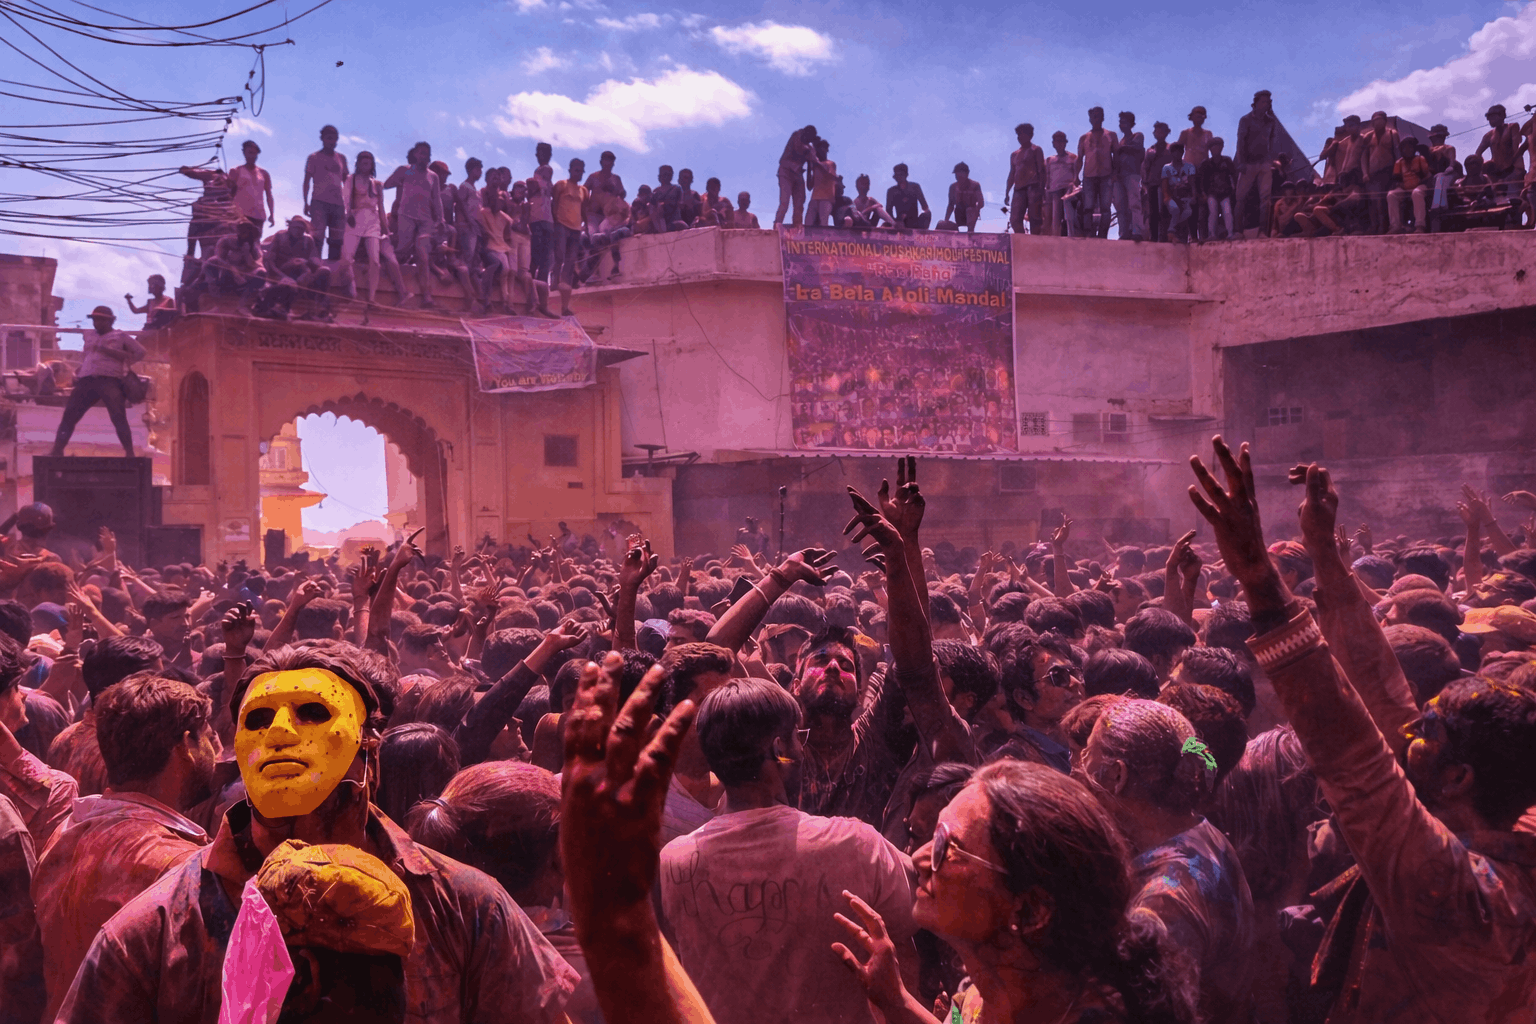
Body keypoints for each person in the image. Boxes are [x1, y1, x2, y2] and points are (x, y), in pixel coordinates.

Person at [1189, 438, 1536, 1024]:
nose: (1408, 731)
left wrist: (1260, 582)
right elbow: (1387, 698)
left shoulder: (1460, 892)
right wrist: (1325, 555)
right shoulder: (1510, 828)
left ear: (1457, 778)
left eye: (1429, 730)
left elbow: (1354, 759)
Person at [55, 642, 579, 1023]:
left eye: (311, 713)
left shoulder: (463, 905)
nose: (280, 732)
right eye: (258, 720)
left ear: (368, 743)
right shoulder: (157, 929)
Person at [832, 759, 1199, 1024]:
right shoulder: (988, 990)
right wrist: (896, 1001)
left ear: (1032, 910)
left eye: (947, 845)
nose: (918, 857)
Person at [658, 678, 918, 1024]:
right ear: (779, 748)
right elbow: (919, 912)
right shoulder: (855, 844)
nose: (801, 750)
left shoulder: (672, 863)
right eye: (798, 738)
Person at [32, 674, 217, 1022]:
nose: (215, 749)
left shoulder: (66, 832)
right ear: (186, 746)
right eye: (209, 736)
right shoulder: (182, 867)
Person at [1078, 698, 1254, 1023]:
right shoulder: (1199, 831)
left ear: (1117, 775)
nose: (1078, 767)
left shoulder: (1161, 901)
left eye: (1087, 754)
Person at [49, 305, 143, 459]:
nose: (96, 323)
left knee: (118, 417)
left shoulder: (120, 336)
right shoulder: (89, 335)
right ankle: (57, 450)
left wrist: (117, 356)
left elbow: (140, 352)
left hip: (110, 380)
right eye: (94, 319)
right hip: (87, 380)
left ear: (110, 321)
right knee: (69, 415)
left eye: (100, 320)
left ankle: (130, 453)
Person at [383, 143, 444, 308]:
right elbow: (386, 184)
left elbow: (437, 199)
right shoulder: (404, 170)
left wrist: (441, 219)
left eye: (427, 154)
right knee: (402, 251)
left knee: (423, 256)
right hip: (406, 217)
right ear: (416, 154)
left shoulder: (433, 176)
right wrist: (399, 180)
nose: (425, 156)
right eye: (422, 153)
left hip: (425, 220)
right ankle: (394, 281)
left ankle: (427, 297)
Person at [341, 150, 404, 306]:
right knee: (347, 258)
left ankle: (371, 298)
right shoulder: (351, 179)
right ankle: (352, 290)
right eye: (363, 161)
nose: (366, 164)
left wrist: (386, 229)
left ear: (372, 165)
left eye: (369, 161)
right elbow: (346, 199)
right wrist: (347, 215)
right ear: (358, 163)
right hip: (355, 218)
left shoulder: (377, 184)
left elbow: (381, 208)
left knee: (375, 261)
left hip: (372, 221)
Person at [1234, 91, 1278, 237]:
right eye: (1263, 101)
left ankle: (1263, 231)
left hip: (1264, 163)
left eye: (1268, 102)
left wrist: (1270, 159)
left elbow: (1271, 141)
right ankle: (1238, 231)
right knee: (1241, 197)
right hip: (1248, 163)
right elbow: (1240, 142)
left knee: (1265, 198)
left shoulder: (1270, 121)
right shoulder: (1245, 120)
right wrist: (1241, 162)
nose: (1266, 104)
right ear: (1256, 103)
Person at [303, 125, 349, 261]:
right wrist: (305, 202)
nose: (332, 142)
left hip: (338, 204)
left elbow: (347, 182)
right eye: (329, 138)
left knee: (337, 238)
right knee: (317, 236)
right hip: (319, 202)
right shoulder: (314, 157)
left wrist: (350, 204)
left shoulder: (342, 158)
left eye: (335, 139)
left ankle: (333, 268)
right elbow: (306, 181)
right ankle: (316, 266)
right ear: (322, 139)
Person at [551, 158, 589, 317]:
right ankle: (554, 282)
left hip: (575, 228)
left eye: (581, 171)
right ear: (570, 170)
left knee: (571, 259)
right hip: (561, 224)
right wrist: (555, 222)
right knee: (559, 255)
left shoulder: (584, 190)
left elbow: (584, 209)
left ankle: (565, 284)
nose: (579, 173)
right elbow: (554, 205)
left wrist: (586, 226)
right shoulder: (561, 185)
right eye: (576, 170)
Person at [177, 163, 240, 259]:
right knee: (194, 224)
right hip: (206, 215)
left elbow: (188, 172)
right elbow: (188, 172)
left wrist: (189, 170)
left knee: (194, 224)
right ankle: (190, 253)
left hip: (216, 216)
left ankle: (190, 254)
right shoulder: (215, 176)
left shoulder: (225, 182)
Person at [1077, 106, 1119, 238]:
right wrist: (1075, 176)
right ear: (1090, 119)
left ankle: (1102, 235)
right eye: (1093, 116)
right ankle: (1089, 234)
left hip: (1106, 176)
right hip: (1089, 176)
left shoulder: (1111, 135)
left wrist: (1115, 173)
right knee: (1088, 207)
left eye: (1098, 116)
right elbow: (1079, 158)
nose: (1096, 119)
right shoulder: (1084, 137)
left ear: (1103, 117)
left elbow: (1116, 155)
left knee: (1105, 208)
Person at [1359, 110, 1400, 234]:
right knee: (1372, 201)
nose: (1377, 123)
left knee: (1383, 200)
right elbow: (1363, 157)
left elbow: (1397, 153)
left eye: (1380, 120)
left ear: (1385, 121)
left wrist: (1398, 172)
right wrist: (1365, 173)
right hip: (1372, 173)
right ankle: (1374, 225)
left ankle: (1384, 226)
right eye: (1375, 120)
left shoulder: (1392, 133)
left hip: (1388, 171)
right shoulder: (1368, 136)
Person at [1475, 103, 1525, 201]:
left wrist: (1511, 169)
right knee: (1495, 201)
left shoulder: (1512, 127)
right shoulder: (1489, 135)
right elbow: (1477, 154)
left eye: (1493, 116)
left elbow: (1516, 149)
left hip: (1513, 170)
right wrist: (1486, 165)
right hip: (1496, 173)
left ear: (1502, 116)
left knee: (1514, 200)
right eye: (1488, 117)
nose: (1490, 120)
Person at [1005, 123, 1046, 235]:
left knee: (1035, 219)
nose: (1019, 137)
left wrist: (1042, 190)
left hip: (1033, 187)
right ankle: (1023, 240)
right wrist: (1007, 192)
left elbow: (1041, 170)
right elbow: (1012, 173)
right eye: (1018, 135)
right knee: (1015, 219)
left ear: (1030, 135)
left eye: (1022, 134)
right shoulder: (1014, 154)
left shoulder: (1036, 150)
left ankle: (1035, 243)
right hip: (1019, 189)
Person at [775, 125, 817, 227]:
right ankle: (777, 226)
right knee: (784, 202)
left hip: (798, 174)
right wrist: (811, 154)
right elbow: (799, 147)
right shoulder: (797, 135)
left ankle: (797, 227)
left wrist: (810, 179)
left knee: (799, 203)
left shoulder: (810, 148)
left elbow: (811, 165)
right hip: (786, 172)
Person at [227, 139, 275, 230]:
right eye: (249, 152)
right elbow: (229, 193)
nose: (252, 155)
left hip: (258, 215)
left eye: (254, 153)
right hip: (240, 215)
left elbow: (269, 195)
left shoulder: (264, 173)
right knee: (238, 241)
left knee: (255, 242)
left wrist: (272, 215)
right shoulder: (236, 171)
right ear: (244, 153)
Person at [1388, 137, 1431, 233]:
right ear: (1402, 150)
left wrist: (1419, 181)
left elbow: (1428, 176)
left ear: (1414, 149)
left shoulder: (1420, 159)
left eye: (1410, 147)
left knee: (1417, 193)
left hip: (1420, 186)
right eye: (1405, 148)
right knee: (1391, 195)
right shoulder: (1399, 163)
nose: (1407, 150)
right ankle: (1395, 225)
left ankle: (1420, 226)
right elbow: (1396, 179)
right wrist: (1400, 185)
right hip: (1405, 189)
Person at [1113, 112, 1145, 241]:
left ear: (1131, 124)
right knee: (1121, 206)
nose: (1122, 125)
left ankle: (1137, 231)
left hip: (1132, 174)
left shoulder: (1137, 136)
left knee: (1134, 203)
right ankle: (1124, 232)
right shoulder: (1121, 141)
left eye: (1125, 122)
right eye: (1121, 122)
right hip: (1120, 175)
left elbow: (1136, 148)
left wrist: (1120, 150)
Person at [1196, 138, 1236, 240]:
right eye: (1214, 147)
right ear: (1210, 149)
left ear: (1222, 147)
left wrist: (1233, 190)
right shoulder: (1205, 163)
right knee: (1212, 212)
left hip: (1225, 192)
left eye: (1219, 146)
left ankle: (1230, 233)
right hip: (1211, 193)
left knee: (1227, 212)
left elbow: (1233, 175)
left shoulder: (1227, 161)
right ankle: (1212, 234)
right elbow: (1201, 180)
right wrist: (1203, 193)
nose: (1216, 149)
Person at [1142, 121, 1174, 242]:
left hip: (1167, 184)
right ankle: (1154, 237)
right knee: (1153, 211)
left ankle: (1164, 236)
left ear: (1166, 132)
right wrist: (1145, 182)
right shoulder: (1150, 150)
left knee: (1165, 211)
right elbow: (1145, 167)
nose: (1159, 133)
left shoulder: (1170, 149)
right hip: (1153, 183)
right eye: (1157, 131)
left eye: (1161, 130)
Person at [1045, 131, 1081, 237]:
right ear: (1053, 144)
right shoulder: (1049, 160)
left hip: (1068, 191)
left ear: (1065, 143)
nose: (1059, 144)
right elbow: (1047, 177)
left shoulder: (1073, 157)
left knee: (1069, 217)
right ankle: (1055, 239)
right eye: (1057, 142)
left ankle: (1072, 238)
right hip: (1054, 191)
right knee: (1055, 218)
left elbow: (1076, 175)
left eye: (1061, 141)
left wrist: (1073, 187)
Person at [1161, 142, 1197, 242]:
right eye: (1174, 152)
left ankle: (1171, 232)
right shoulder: (1166, 168)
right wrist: (1166, 196)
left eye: (1179, 152)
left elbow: (1192, 183)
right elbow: (1164, 184)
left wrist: (1194, 196)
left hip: (1185, 196)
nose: (1177, 154)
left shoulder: (1190, 167)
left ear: (1182, 152)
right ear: (1171, 153)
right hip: (1172, 196)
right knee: (1175, 209)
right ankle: (1171, 232)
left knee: (1188, 212)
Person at [886, 164, 931, 230]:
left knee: (927, 214)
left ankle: (921, 234)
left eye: (901, 175)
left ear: (906, 175)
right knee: (886, 223)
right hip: (899, 222)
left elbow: (925, 207)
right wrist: (895, 222)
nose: (899, 177)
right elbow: (888, 212)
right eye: (897, 175)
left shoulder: (915, 187)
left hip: (914, 222)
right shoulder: (891, 191)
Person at [945, 162, 984, 233]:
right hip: (959, 214)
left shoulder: (975, 185)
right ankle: (957, 234)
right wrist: (946, 221)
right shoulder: (953, 187)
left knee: (970, 211)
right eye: (956, 174)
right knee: (942, 224)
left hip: (971, 215)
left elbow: (981, 203)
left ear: (967, 174)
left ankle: (970, 233)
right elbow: (950, 205)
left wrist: (976, 211)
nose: (957, 176)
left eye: (959, 173)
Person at [807, 139, 838, 227]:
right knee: (808, 223)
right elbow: (809, 187)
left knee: (823, 224)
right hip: (814, 198)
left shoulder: (831, 164)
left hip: (826, 199)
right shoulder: (816, 166)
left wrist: (816, 163)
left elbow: (831, 177)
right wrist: (810, 166)